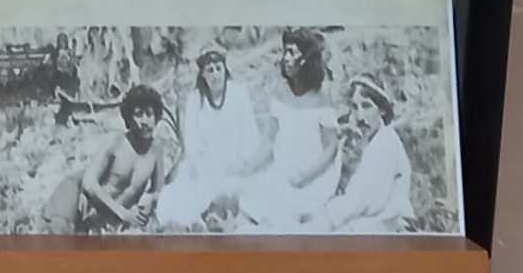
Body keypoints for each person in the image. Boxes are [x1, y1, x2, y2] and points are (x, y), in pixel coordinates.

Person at [237, 30, 342, 229]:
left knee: (285, 216)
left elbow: (331, 147)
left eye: (292, 53)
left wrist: (307, 175)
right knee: (249, 206)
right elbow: (270, 140)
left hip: (312, 174)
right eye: (285, 51)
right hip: (283, 169)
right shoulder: (280, 92)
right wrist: (249, 168)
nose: (286, 58)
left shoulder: (322, 97)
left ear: (306, 60)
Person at [155, 50, 262, 227]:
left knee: (247, 191)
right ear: (203, 75)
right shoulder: (195, 100)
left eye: (218, 68)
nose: (215, 75)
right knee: (187, 189)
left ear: (225, 70)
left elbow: (250, 135)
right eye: (210, 70)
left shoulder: (239, 94)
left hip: (237, 165)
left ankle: (224, 217)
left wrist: (240, 162)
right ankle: (198, 220)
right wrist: (205, 165)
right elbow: (192, 143)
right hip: (206, 167)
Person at [60, 87, 167, 231]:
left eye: (149, 114)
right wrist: (122, 213)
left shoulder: (156, 149)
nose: (144, 121)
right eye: (138, 114)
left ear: (156, 117)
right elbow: (89, 182)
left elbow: (158, 191)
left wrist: (149, 201)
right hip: (93, 217)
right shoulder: (116, 141)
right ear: (129, 118)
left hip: (122, 225)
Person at [328, 78, 412, 234]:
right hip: (368, 222)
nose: (360, 116)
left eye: (366, 106)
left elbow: (358, 201)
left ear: (382, 110)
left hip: (386, 226)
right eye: (355, 107)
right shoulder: (364, 141)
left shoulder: (386, 142)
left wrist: (326, 218)